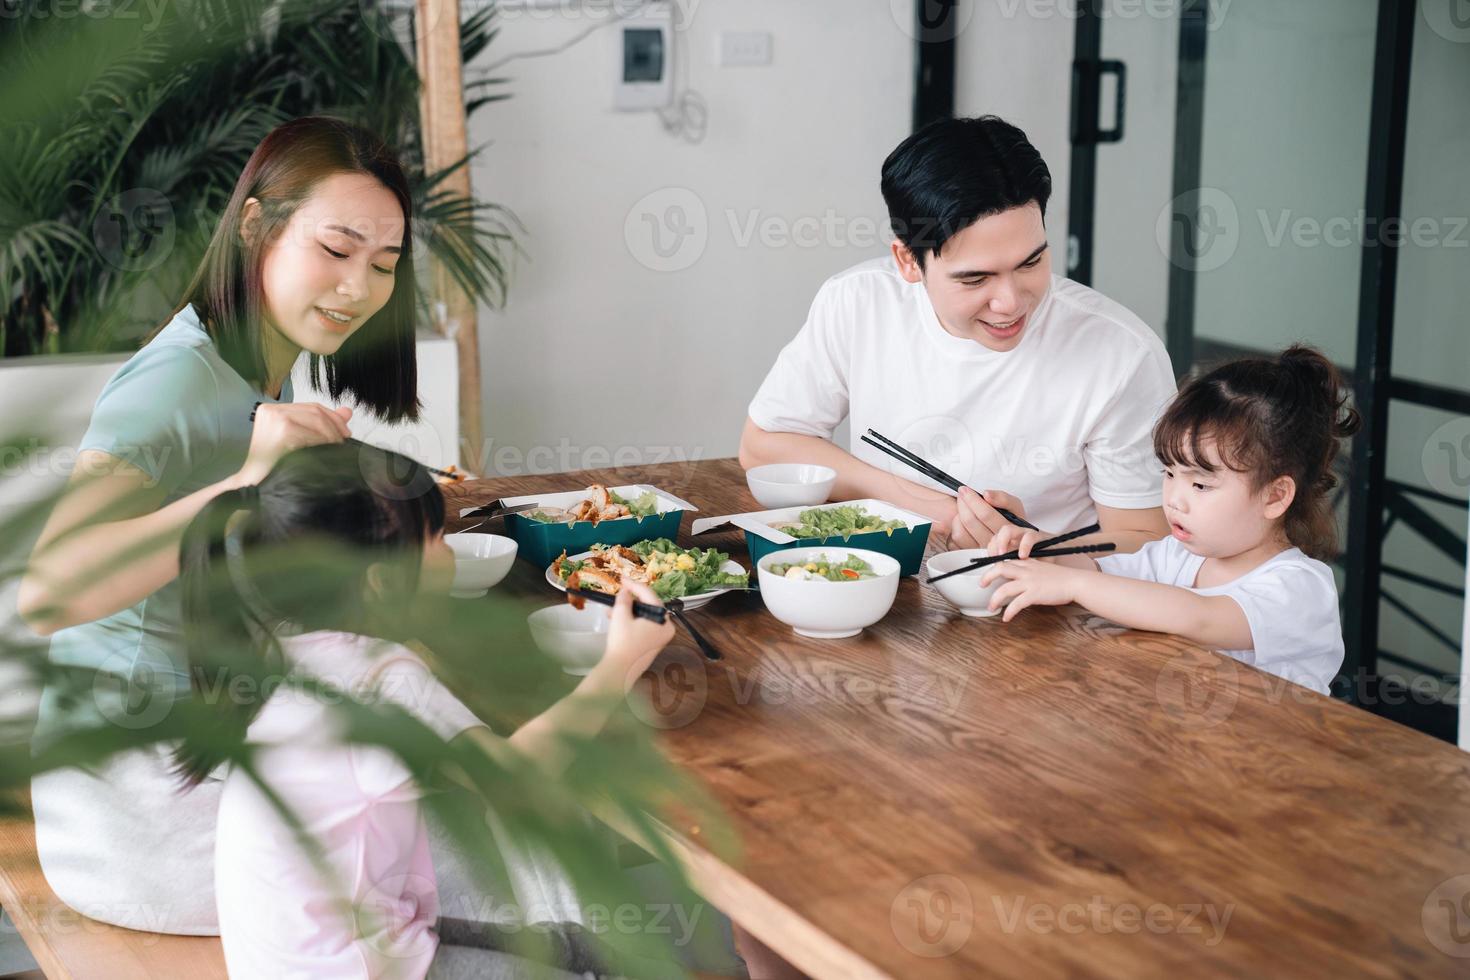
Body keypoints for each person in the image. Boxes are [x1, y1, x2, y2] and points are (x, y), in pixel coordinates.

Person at [21, 115, 421, 933]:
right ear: (254, 225)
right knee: (483, 839)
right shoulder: (171, 384)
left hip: (181, 765)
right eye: (337, 251)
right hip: (136, 810)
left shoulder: (255, 361)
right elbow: (49, 593)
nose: (359, 288)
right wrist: (247, 479)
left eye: (384, 265)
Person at [174, 443, 675, 978]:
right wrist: (622, 661)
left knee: (578, 948)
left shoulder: (284, 648)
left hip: (300, 959)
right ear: (381, 581)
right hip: (366, 967)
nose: (450, 550)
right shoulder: (382, 677)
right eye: (434, 538)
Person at [739, 115, 1175, 555]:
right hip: (888, 580)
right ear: (908, 261)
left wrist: (1039, 548)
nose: (1010, 302)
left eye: (1030, 263)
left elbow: (1146, 540)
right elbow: (764, 446)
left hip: (1048, 607)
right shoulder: (858, 303)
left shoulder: (1121, 353)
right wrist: (937, 509)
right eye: (975, 279)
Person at [980, 345, 1360, 695]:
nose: (1175, 499)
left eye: (1200, 484)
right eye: (1169, 473)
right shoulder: (1179, 556)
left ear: (1275, 496)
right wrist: (1043, 546)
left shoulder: (1300, 590)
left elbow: (1198, 617)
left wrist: (1072, 584)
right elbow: (1100, 573)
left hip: (1275, 755)